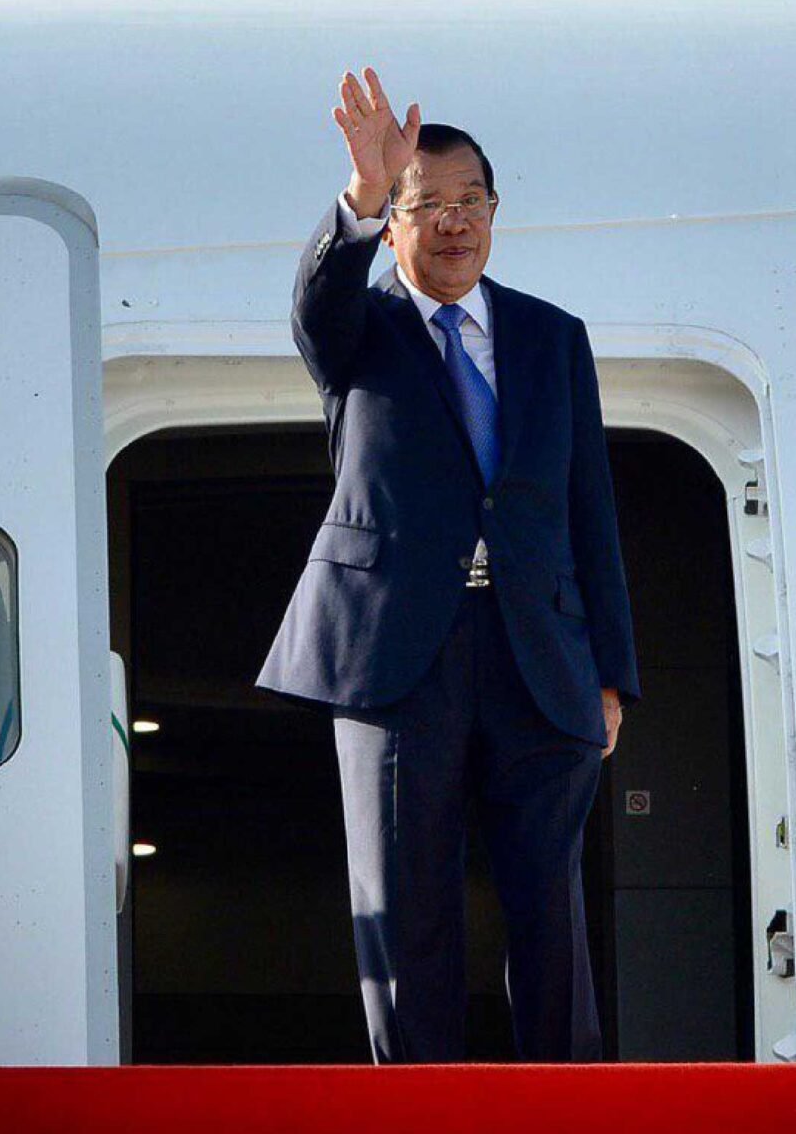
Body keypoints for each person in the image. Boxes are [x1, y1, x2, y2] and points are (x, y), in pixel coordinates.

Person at [256, 66, 638, 1063]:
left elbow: (588, 509)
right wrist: (362, 186)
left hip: (536, 650)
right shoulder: (357, 330)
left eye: (472, 201)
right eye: (429, 205)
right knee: (405, 907)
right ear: (394, 226)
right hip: (394, 656)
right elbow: (314, 301)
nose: (455, 223)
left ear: (496, 212)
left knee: (550, 905)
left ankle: (564, 1106)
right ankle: (417, 1109)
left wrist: (609, 672)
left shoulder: (553, 338)